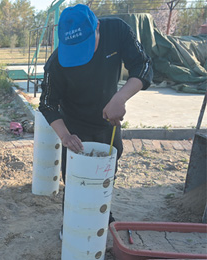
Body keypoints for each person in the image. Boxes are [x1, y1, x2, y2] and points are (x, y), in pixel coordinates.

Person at [38, 4, 153, 239]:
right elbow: (47, 103)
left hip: (109, 119)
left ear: (97, 27)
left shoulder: (117, 31)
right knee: (75, 176)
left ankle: (103, 214)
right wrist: (65, 136)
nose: (82, 56)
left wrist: (120, 97)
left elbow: (144, 65)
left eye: (86, 47)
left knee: (107, 169)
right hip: (75, 122)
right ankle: (71, 221)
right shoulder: (55, 63)